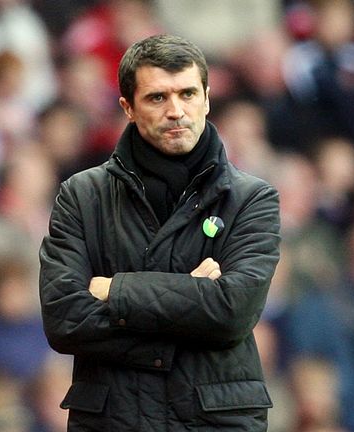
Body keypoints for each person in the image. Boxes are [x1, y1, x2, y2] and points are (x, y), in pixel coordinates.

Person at [39, 34, 281, 431]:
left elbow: (232, 312)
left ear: (207, 98)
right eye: (157, 98)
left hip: (214, 422)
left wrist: (117, 290)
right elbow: (65, 319)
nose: (176, 111)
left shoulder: (251, 199)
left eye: (188, 94)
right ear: (128, 108)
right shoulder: (82, 195)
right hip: (113, 420)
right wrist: (191, 299)